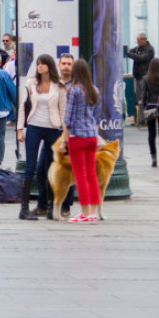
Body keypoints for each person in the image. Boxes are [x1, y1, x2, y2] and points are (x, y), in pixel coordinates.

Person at [17, 55, 67, 221]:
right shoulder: (31, 83)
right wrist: (19, 129)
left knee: (51, 168)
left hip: (53, 128)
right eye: (38, 64)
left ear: (49, 66)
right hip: (34, 126)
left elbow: (63, 111)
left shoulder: (59, 86)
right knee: (30, 166)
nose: (39, 66)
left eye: (43, 64)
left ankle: (52, 207)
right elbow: (23, 106)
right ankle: (24, 209)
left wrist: (64, 135)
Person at [60, 59, 102, 224]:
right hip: (91, 136)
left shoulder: (74, 90)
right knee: (92, 175)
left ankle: (84, 212)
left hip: (77, 136)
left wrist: (64, 140)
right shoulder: (94, 90)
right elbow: (97, 116)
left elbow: (68, 118)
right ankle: (93, 213)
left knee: (80, 176)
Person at [140, 58, 159, 169]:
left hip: (151, 107)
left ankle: (154, 158)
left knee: (151, 133)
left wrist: (144, 107)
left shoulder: (146, 79)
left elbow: (144, 95)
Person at [127, 33, 155, 126]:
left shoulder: (149, 50)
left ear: (144, 40)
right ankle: (138, 119)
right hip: (138, 76)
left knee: (143, 98)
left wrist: (129, 54)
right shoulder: (138, 48)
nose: (138, 43)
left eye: (139, 41)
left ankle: (143, 119)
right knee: (137, 98)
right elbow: (131, 52)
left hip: (144, 76)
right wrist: (126, 51)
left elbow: (141, 58)